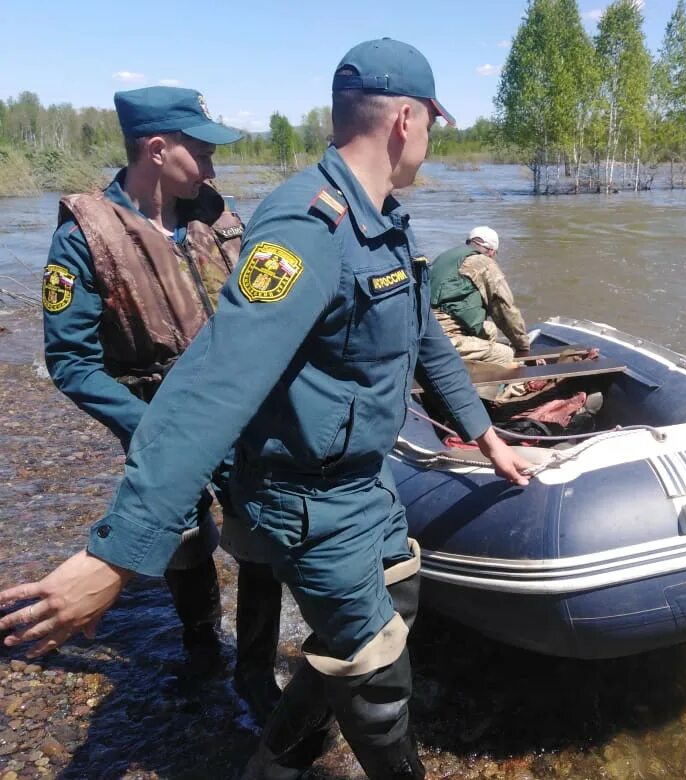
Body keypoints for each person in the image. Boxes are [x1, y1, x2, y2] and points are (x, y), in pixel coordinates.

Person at [2, 39, 530, 780]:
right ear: (407, 121)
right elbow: (215, 381)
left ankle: (283, 750)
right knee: (381, 685)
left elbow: (419, 336)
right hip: (307, 495)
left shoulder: (384, 219)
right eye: (434, 123)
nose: (432, 137)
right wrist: (116, 554)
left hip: (363, 480)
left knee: (397, 599)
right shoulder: (307, 228)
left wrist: (484, 435)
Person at [39, 85, 282, 717]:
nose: (211, 165)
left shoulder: (217, 216)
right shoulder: (84, 236)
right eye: (200, 150)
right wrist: (151, 425)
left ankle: (255, 672)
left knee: (259, 534)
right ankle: (202, 650)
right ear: (156, 148)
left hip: (237, 407)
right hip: (153, 412)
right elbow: (70, 362)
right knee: (182, 538)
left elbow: (267, 306)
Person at [430, 225, 531, 367]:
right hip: (445, 340)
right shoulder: (483, 262)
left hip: (426, 330)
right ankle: (479, 385)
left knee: (489, 329)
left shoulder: (447, 257)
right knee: (506, 354)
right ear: (491, 251)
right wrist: (523, 347)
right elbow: (504, 309)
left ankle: (475, 368)